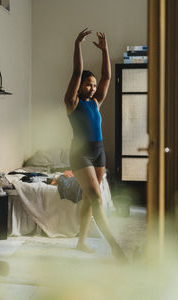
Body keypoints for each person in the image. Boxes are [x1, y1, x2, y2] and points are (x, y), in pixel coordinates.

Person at [64, 28, 126, 261]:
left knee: (91, 198)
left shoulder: (96, 102)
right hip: (81, 154)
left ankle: (80, 243)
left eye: (93, 84)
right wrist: (77, 44)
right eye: (87, 84)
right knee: (97, 198)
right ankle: (114, 246)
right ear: (79, 86)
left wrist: (105, 50)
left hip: (98, 151)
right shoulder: (72, 103)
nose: (91, 87)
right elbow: (77, 71)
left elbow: (108, 77)